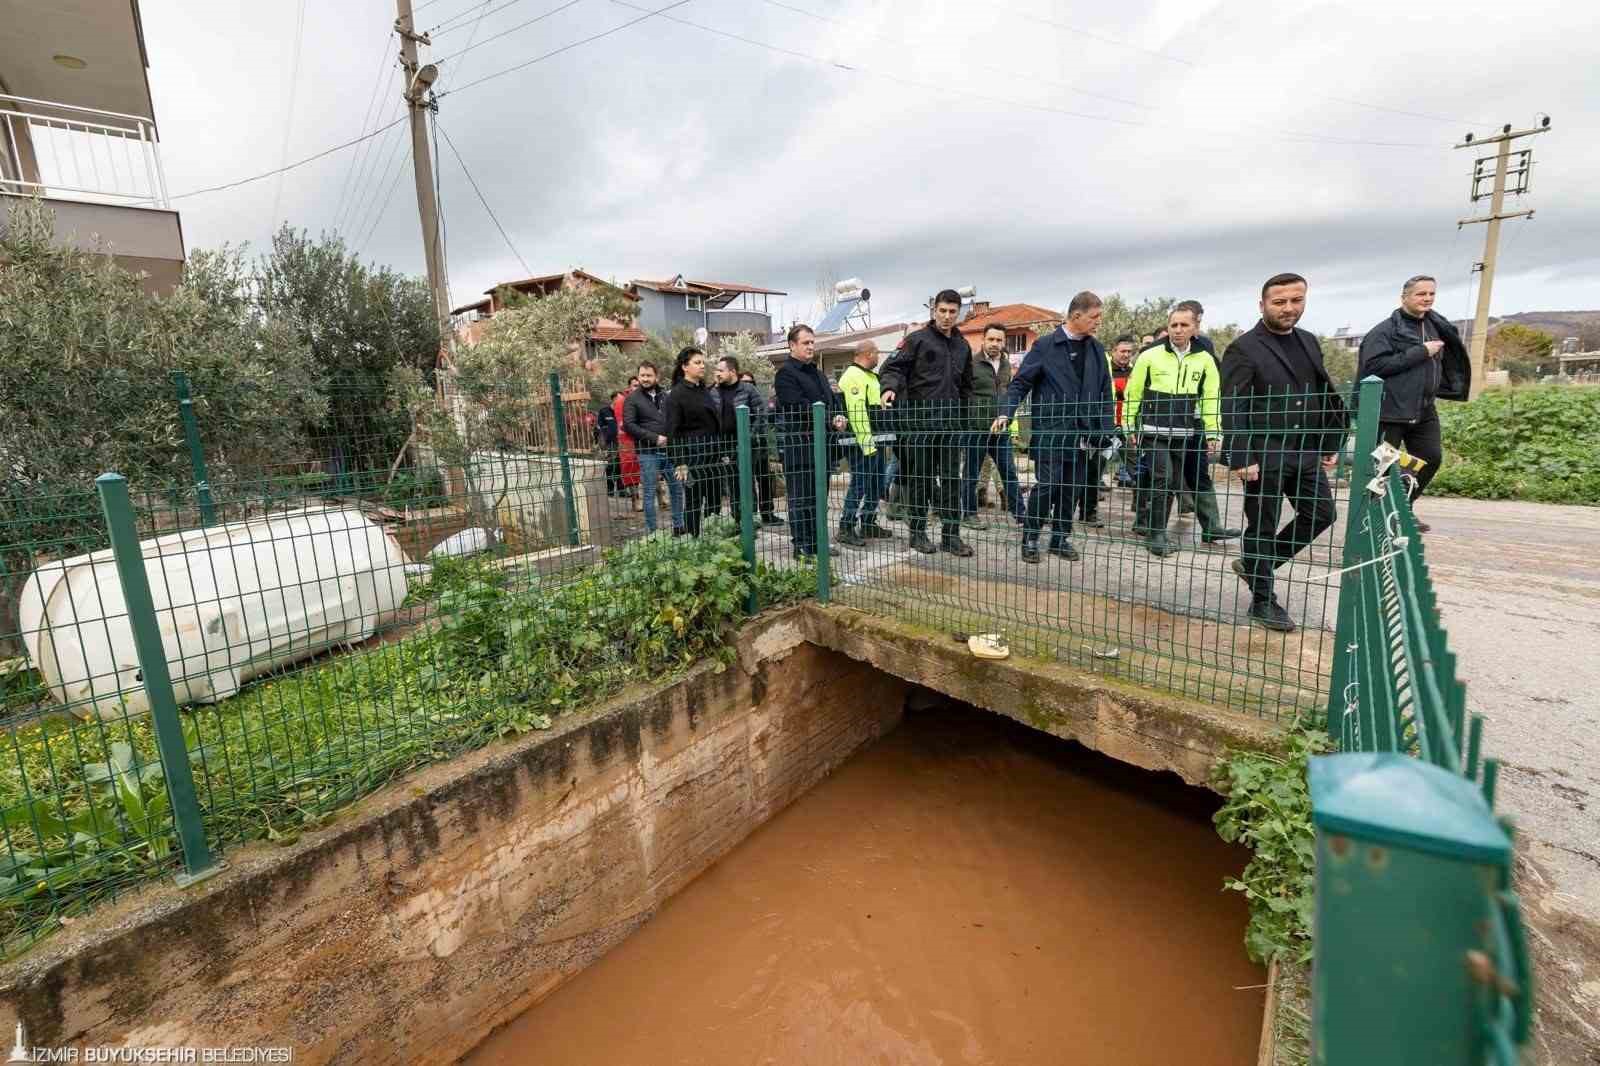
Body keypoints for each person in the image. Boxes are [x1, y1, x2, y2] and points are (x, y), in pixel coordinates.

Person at [1221, 273, 1348, 632]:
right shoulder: (1244, 348)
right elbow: (1233, 406)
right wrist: (1242, 456)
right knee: (1262, 525)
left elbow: (1320, 394)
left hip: (1305, 449)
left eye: (1296, 300)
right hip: (1265, 455)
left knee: (1322, 513)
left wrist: (1328, 440)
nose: (1289, 308)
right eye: (1279, 302)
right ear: (1262, 304)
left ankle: (1256, 566)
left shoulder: (1308, 341)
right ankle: (1263, 601)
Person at [993, 291, 1114, 564]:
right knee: (1047, 485)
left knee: (1071, 488)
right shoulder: (1045, 346)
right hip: (1052, 431)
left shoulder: (1096, 349)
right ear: (1076, 315)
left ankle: (1060, 538)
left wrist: (1106, 429)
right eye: (1094, 317)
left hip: (1084, 433)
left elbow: (1105, 392)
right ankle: (1031, 538)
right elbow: (1021, 383)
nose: (1099, 322)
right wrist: (1006, 413)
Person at [1122, 307, 1240, 557]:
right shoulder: (1149, 355)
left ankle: (1159, 531)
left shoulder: (1205, 359)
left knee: (1173, 481)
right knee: (1162, 479)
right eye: (1173, 325)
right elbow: (1134, 392)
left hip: (1184, 432)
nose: (1178, 330)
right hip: (1153, 431)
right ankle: (1156, 535)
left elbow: (1210, 398)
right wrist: (1129, 425)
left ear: (1195, 328)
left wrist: (1213, 432)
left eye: (1184, 325)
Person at [1356, 275, 1470, 530]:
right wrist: (1421, 352)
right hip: (1389, 411)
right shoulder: (1384, 331)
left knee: (1431, 458)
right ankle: (1371, 522)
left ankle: (1402, 508)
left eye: (1431, 294)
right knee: (1382, 467)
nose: (1427, 298)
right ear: (1404, 297)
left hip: (1424, 409)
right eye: (1421, 294)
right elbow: (1374, 367)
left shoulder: (1435, 326)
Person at [879, 289, 976, 557]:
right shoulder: (916, 340)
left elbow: (967, 387)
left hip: (950, 427)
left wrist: (965, 420)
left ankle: (951, 536)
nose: (947, 316)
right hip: (919, 426)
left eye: (952, 312)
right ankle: (918, 534)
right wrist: (889, 388)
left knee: (951, 481)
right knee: (921, 480)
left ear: (959, 313)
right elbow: (892, 368)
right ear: (934, 311)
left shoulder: (963, 346)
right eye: (942, 311)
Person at [773, 324, 848, 559]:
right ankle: (802, 546)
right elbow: (797, 406)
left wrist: (838, 416)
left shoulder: (818, 373)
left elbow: (832, 401)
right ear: (792, 345)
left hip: (822, 446)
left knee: (819, 498)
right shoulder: (785, 374)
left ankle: (818, 543)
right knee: (801, 499)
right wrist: (828, 418)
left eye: (812, 342)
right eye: (806, 343)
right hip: (800, 447)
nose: (810, 347)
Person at [960, 324, 1024, 530]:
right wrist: (968, 421)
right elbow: (962, 394)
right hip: (976, 429)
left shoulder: (1005, 365)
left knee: (1009, 473)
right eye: (991, 339)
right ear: (983, 340)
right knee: (971, 474)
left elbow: (1008, 394)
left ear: (1004, 342)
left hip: (1000, 430)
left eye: (999, 340)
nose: (995, 343)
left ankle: (1021, 514)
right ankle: (969, 514)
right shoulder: (971, 364)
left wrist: (1007, 417)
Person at [836, 340, 894, 547]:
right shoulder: (853, 375)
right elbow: (857, 412)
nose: (878, 357)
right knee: (860, 484)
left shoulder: (870, 376)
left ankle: (868, 522)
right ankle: (846, 526)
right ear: (869, 354)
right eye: (877, 353)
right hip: (860, 442)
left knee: (876, 483)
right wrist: (867, 444)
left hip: (875, 440)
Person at [665, 347, 724, 536]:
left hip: (712, 455)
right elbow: (672, 431)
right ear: (684, 367)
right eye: (697, 362)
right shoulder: (676, 395)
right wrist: (679, 462)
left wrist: (721, 452)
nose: (702, 366)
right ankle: (693, 539)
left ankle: (713, 539)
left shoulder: (703, 390)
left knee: (714, 500)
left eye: (702, 362)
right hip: (691, 457)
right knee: (693, 501)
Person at [622, 361, 683, 534]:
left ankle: (679, 526)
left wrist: (673, 438)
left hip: (670, 451)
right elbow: (629, 425)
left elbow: (674, 419)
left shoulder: (666, 396)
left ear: (657, 376)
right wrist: (655, 438)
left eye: (649, 375)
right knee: (649, 493)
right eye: (642, 375)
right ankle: (653, 532)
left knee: (676, 489)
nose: (645, 379)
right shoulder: (632, 399)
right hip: (647, 452)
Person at [713, 355, 766, 519]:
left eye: (721, 370)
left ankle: (751, 519)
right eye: (716, 370)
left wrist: (750, 436)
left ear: (732, 371)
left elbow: (761, 414)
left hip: (746, 444)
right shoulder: (714, 391)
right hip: (725, 444)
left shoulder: (748, 389)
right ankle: (737, 519)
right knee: (732, 482)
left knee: (746, 481)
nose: (717, 374)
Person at [738, 371, 783, 525]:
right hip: (745, 446)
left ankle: (767, 513)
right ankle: (752, 515)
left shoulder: (760, 401)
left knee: (765, 480)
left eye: (750, 382)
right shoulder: (737, 401)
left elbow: (767, 427)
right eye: (744, 382)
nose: (748, 385)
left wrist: (772, 454)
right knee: (747, 481)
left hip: (761, 445)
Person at [1108, 334, 1139, 488]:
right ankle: (1090, 497)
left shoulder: (1136, 372)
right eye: (1123, 351)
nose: (1126, 355)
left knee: (1136, 465)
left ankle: (1140, 497)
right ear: (1113, 351)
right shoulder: (1104, 370)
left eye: (1129, 352)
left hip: (1126, 426)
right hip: (1107, 424)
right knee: (1096, 464)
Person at [596, 392, 623, 496]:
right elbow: (600, 427)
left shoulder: (624, 410)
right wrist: (604, 442)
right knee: (611, 465)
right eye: (620, 398)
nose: (622, 400)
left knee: (621, 465)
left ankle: (621, 490)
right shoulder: (604, 411)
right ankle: (610, 489)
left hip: (622, 442)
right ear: (614, 399)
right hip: (610, 443)